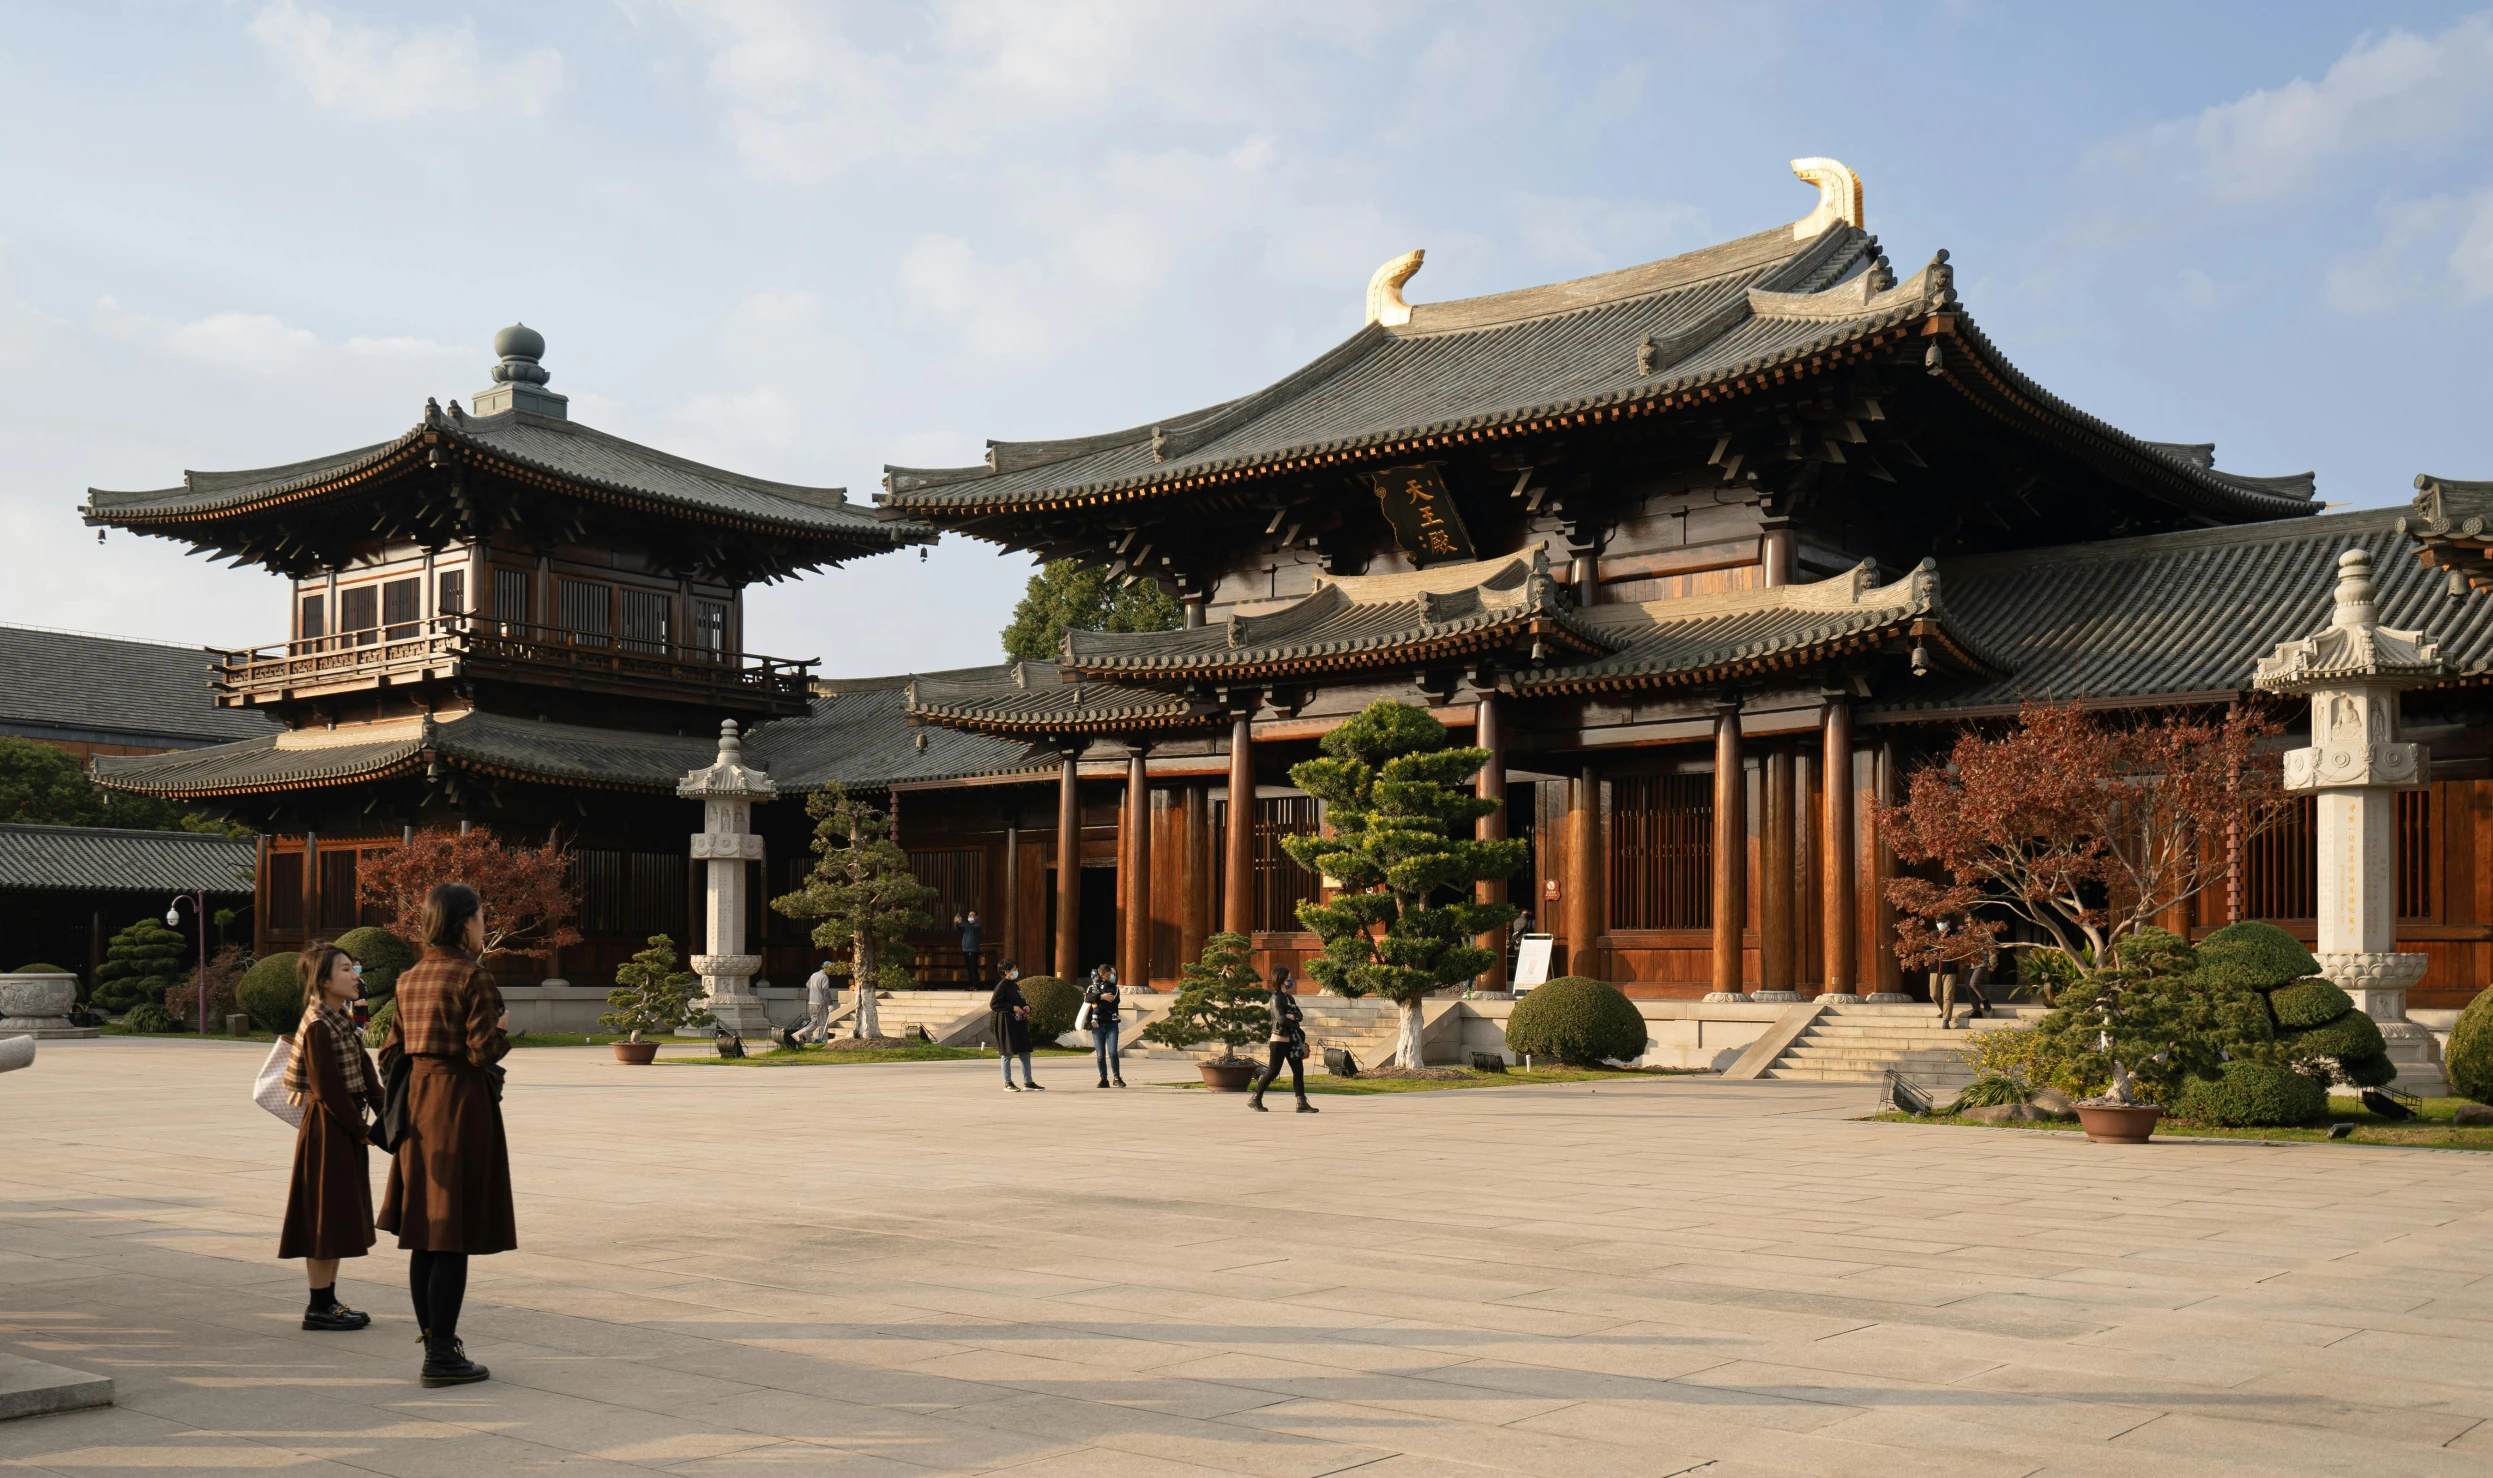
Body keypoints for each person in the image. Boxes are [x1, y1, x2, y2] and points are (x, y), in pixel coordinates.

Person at [376, 883, 515, 1389]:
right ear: (463, 923)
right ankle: (441, 1355)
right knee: (451, 1231)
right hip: (458, 1104)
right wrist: (502, 1028)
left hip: (418, 1106)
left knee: (425, 1233)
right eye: (480, 917)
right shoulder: (473, 976)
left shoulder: (408, 978)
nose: (483, 925)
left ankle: (434, 1342)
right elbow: (482, 1051)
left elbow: (389, 1052)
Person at [279, 942, 384, 1331]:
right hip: (329, 1129)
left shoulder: (340, 1019)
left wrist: (392, 1113)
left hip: (343, 1127)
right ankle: (319, 1305)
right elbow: (328, 1090)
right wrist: (362, 1131)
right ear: (323, 980)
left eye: (353, 968)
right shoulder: (319, 1025)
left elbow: (366, 1075)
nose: (355, 976)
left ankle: (328, 1300)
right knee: (325, 1218)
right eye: (344, 969)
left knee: (337, 1216)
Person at [1249, 967, 1316, 1114]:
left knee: (1298, 1071)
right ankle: (1255, 1098)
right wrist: (1293, 1021)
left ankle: (1301, 1102)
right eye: (1288, 977)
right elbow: (1281, 1019)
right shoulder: (1275, 998)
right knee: (1273, 1071)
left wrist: (1294, 1019)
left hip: (1292, 1041)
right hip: (1279, 1040)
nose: (1291, 980)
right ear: (1281, 979)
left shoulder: (1289, 998)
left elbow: (1299, 1015)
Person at [989, 972, 1041, 1091]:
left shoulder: (1015, 985)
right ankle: (1007, 1082)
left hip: (1019, 1022)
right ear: (1006, 972)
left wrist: (1027, 1007)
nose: (1016, 971)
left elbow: (1020, 1001)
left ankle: (1028, 1082)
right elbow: (994, 1004)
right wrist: (1011, 1008)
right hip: (1007, 1023)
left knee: (1025, 1051)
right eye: (1013, 969)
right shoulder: (1001, 986)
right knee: (1007, 1053)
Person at [1084, 967, 1126, 1089]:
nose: (1112, 976)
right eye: (1110, 974)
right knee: (1100, 1055)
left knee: (1113, 1052)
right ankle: (1103, 1078)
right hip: (1097, 1026)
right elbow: (1087, 998)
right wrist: (1101, 997)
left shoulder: (1114, 988)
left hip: (1111, 1024)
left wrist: (1097, 1001)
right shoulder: (1092, 987)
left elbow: (1113, 1001)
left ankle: (1117, 1077)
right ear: (1103, 975)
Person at [801, 960, 834, 1044]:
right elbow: (825, 991)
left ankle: (806, 1036)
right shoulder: (824, 977)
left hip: (811, 1002)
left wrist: (813, 995)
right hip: (820, 1003)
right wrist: (830, 1004)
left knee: (814, 1022)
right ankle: (823, 1040)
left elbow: (807, 987)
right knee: (823, 1022)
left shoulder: (814, 975)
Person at [957, 910, 984, 986]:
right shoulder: (967, 926)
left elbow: (969, 927)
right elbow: (959, 929)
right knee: (968, 968)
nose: (970, 917)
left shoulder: (977, 925)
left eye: (972, 915)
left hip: (972, 950)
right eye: (969, 915)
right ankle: (970, 985)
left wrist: (961, 922)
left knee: (973, 968)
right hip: (965, 949)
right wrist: (956, 923)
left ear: (976, 917)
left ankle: (975, 985)